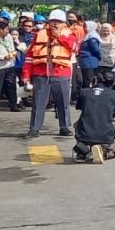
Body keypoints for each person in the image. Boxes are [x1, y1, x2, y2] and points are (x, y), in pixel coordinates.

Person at [23, 9, 79, 138]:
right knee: (38, 102)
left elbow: (75, 48)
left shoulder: (69, 35)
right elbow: (30, 57)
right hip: (41, 74)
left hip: (61, 72)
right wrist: (26, 76)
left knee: (63, 102)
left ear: (64, 23)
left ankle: (64, 127)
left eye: (58, 22)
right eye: (53, 21)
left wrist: (60, 37)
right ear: (48, 22)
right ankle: (35, 128)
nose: (55, 24)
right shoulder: (39, 34)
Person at [72, 76, 115, 164]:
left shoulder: (84, 92)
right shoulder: (114, 94)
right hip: (105, 135)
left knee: (77, 124)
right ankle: (105, 151)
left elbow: (79, 107)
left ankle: (83, 151)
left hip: (84, 134)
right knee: (114, 151)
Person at [0, 18, 20, 112]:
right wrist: (3, 57)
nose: (8, 31)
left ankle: (13, 105)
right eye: (6, 29)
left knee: (11, 85)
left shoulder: (9, 36)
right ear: (0, 30)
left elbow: (12, 48)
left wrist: (13, 53)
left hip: (10, 65)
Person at [77, 20, 101, 90]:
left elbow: (95, 49)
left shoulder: (92, 37)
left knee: (88, 80)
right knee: (85, 79)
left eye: (86, 27)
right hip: (85, 61)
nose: (84, 28)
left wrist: (99, 57)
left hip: (90, 62)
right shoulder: (88, 36)